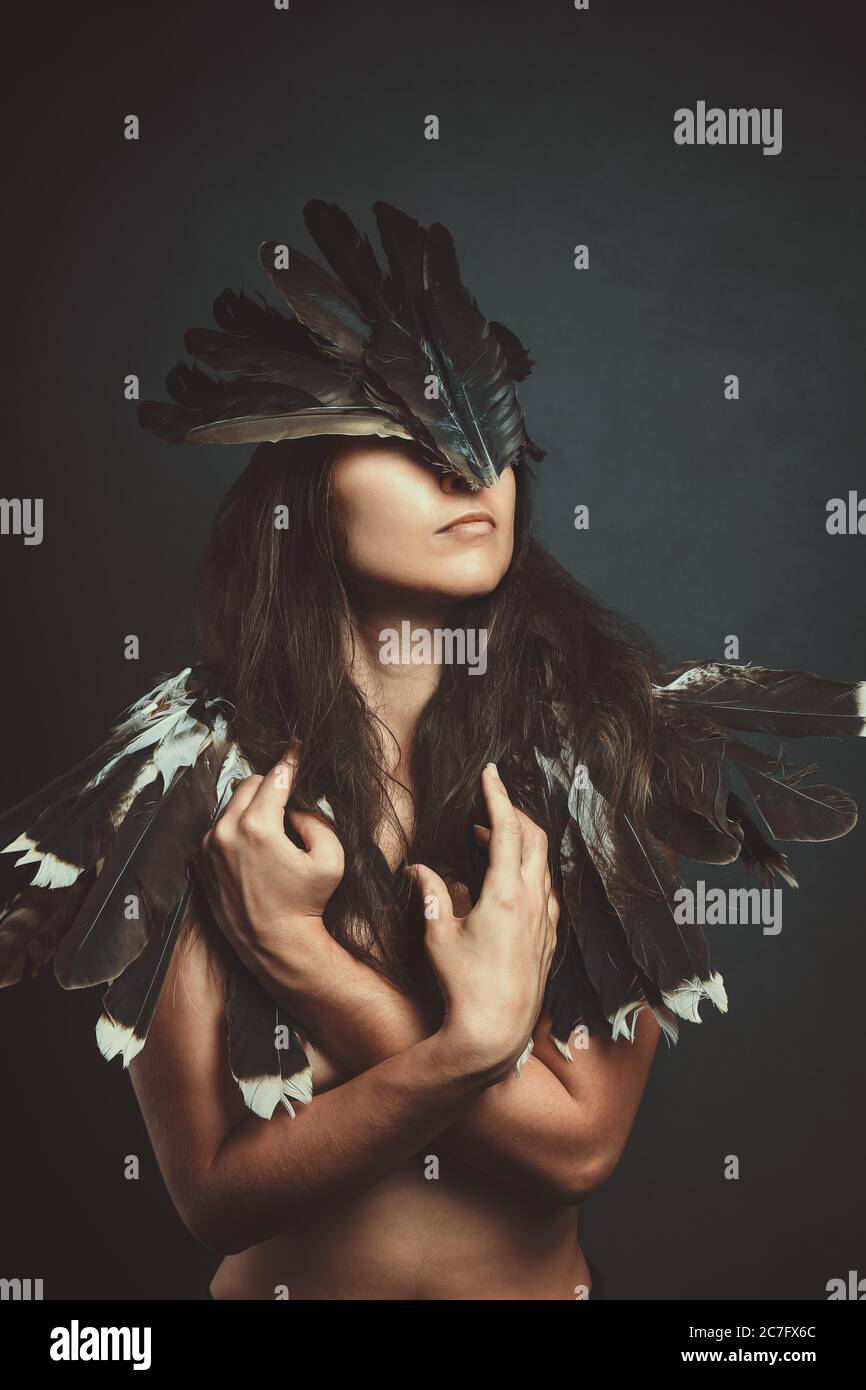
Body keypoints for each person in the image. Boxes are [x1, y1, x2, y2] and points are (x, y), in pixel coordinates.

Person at [127, 434, 664, 1300]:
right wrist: (475, 1051)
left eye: (482, 431)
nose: (464, 470)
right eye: (402, 441)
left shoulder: (598, 751)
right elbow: (216, 1195)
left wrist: (295, 955)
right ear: (301, 485)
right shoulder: (192, 773)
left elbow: (578, 1145)